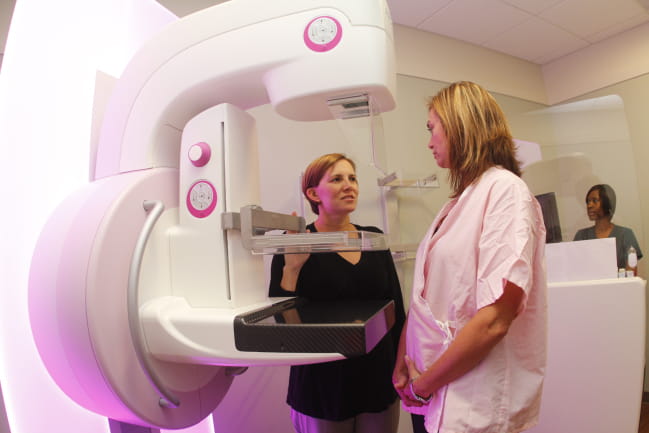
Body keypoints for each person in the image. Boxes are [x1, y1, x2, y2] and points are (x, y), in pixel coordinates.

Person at [392, 81, 547, 433]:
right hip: (433, 390)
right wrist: (404, 360)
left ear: (460, 124)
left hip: (472, 402)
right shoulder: (456, 203)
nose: (429, 141)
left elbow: (494, 319)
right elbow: (425, 298)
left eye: (432, 129)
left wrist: (423, 384)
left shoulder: (505, 191)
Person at [269, 153, 406, 433]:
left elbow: (396, 310)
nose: (349, 186)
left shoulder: (373, 238)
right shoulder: (295, 242)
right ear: (312, 193)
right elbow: (279, 326)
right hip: (321, 385)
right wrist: (292, 268)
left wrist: (402, 365)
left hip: (378, 380)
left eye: (352, 178)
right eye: (337, 179)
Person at [573, 184, 643, 271]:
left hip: (619, 284)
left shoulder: (626, 235)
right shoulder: (581, 236)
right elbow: (575, 270)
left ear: (607, 203)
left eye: (595, 201)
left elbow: (631, 273)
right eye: (588, 201)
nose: (589, 205)